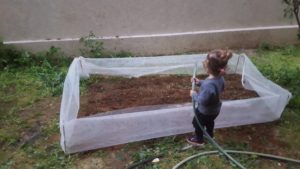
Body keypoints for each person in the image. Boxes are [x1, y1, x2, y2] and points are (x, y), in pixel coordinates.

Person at [187, 49, 232, 146]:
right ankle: (210, 134)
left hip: (205, 111)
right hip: (215, 110)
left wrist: (194, 95)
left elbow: (203, 101)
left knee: (197, 123)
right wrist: (199, 83)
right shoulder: (220, 78)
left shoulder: (209, 84)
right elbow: (214, 87)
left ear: (208, 68)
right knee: (209, 122)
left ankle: (199, 139)